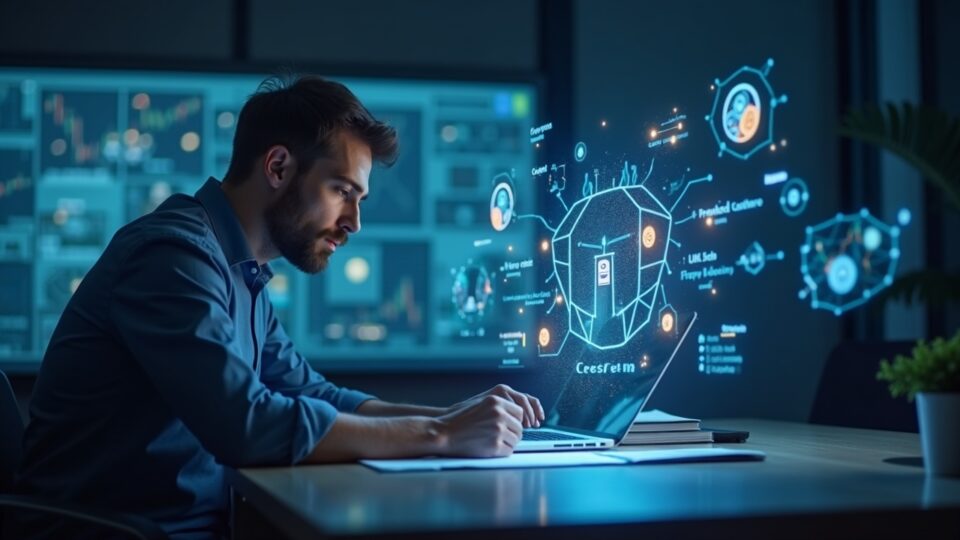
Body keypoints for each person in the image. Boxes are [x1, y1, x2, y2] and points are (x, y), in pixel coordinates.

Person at [13, 75, 544, 539]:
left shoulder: (240, 274)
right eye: (342, 191)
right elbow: (245, 423)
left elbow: (314, 393)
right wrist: (442, 436)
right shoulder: (171, 258)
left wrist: (455, 415)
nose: (354, 222)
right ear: (279, 166)